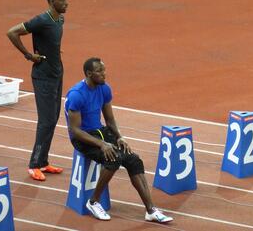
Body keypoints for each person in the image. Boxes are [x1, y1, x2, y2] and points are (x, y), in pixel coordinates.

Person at [65, 57, 173, 223]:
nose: (104, 74)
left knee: (134, 160)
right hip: (82, 138)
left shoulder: (104, 89)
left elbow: (109, 120)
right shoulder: (76, 95)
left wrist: (119, 137)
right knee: (113, 159)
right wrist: (102, 144)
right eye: (100, 71)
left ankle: (150, 210)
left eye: (104, 70)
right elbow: (75, 130)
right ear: (89, 73)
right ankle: (93, 202)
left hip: (100, 132)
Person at [7, 0, 68, 181]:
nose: (67, 3)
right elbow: (12, 32)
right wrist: (28, 55)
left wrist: (54, 53)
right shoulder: (42, 20)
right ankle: (34, 165)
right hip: (43, 76)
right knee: (46, 121)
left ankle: (43, 161)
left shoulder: (60, 18)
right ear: (52, 2)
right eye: (63, 0)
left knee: (53, 118)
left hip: (57, 73)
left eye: (67, 0)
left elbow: (52, 42)